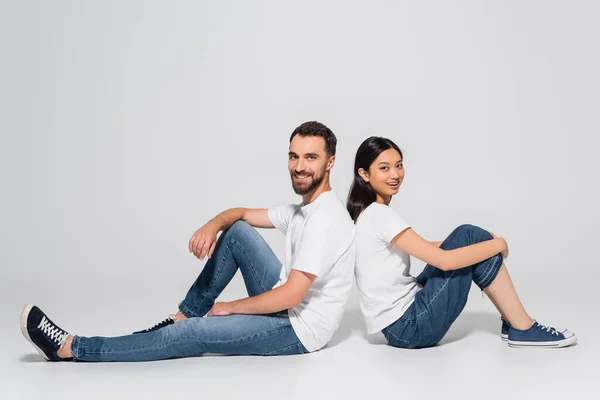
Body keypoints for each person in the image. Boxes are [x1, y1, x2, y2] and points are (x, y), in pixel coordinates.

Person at [21, 121, 355, 362]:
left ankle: (71, 347)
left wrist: (229, 308)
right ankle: (186, 313)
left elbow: (293, 294)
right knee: (238, 231)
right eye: (294, 156)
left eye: (310, 158)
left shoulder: (325, 219)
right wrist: (212, 226)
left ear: (330, 162)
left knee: (189, 336)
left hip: (298, 330)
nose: (299, 166)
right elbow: (239, 213)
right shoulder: (304, 210)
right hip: (286, 306)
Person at [348, 136, 576, 349]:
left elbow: (427, 247)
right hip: (410, 327)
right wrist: (499, 244)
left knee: (468, 238)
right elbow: (444, 261)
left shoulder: (369, 214)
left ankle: (514, 322)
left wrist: (479, 244)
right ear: (365, 174)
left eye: (399, 165)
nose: (395, 174)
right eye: (384, 168)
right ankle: (522, 327)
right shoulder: (380, 215)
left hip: (400, 324)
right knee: (468, 235)